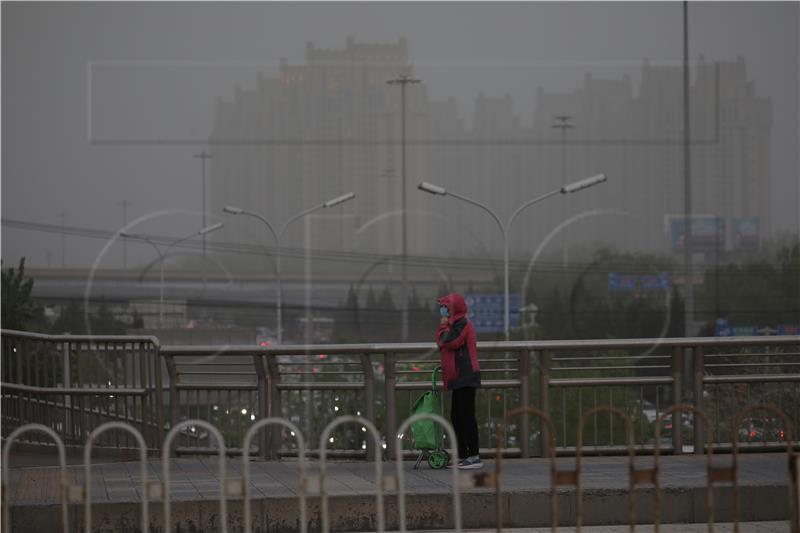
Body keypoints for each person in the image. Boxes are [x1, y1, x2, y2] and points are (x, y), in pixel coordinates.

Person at [435, 293, 482, 469]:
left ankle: (474, 456)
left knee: (467, 416)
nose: (443, 310)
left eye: (446, 307)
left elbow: (450, 341)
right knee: (457, 417)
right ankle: (463, 455)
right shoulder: (453, 324)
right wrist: (444, 327)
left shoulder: (462, 323)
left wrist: (443, 327)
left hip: (467, 375)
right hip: (458, 376)